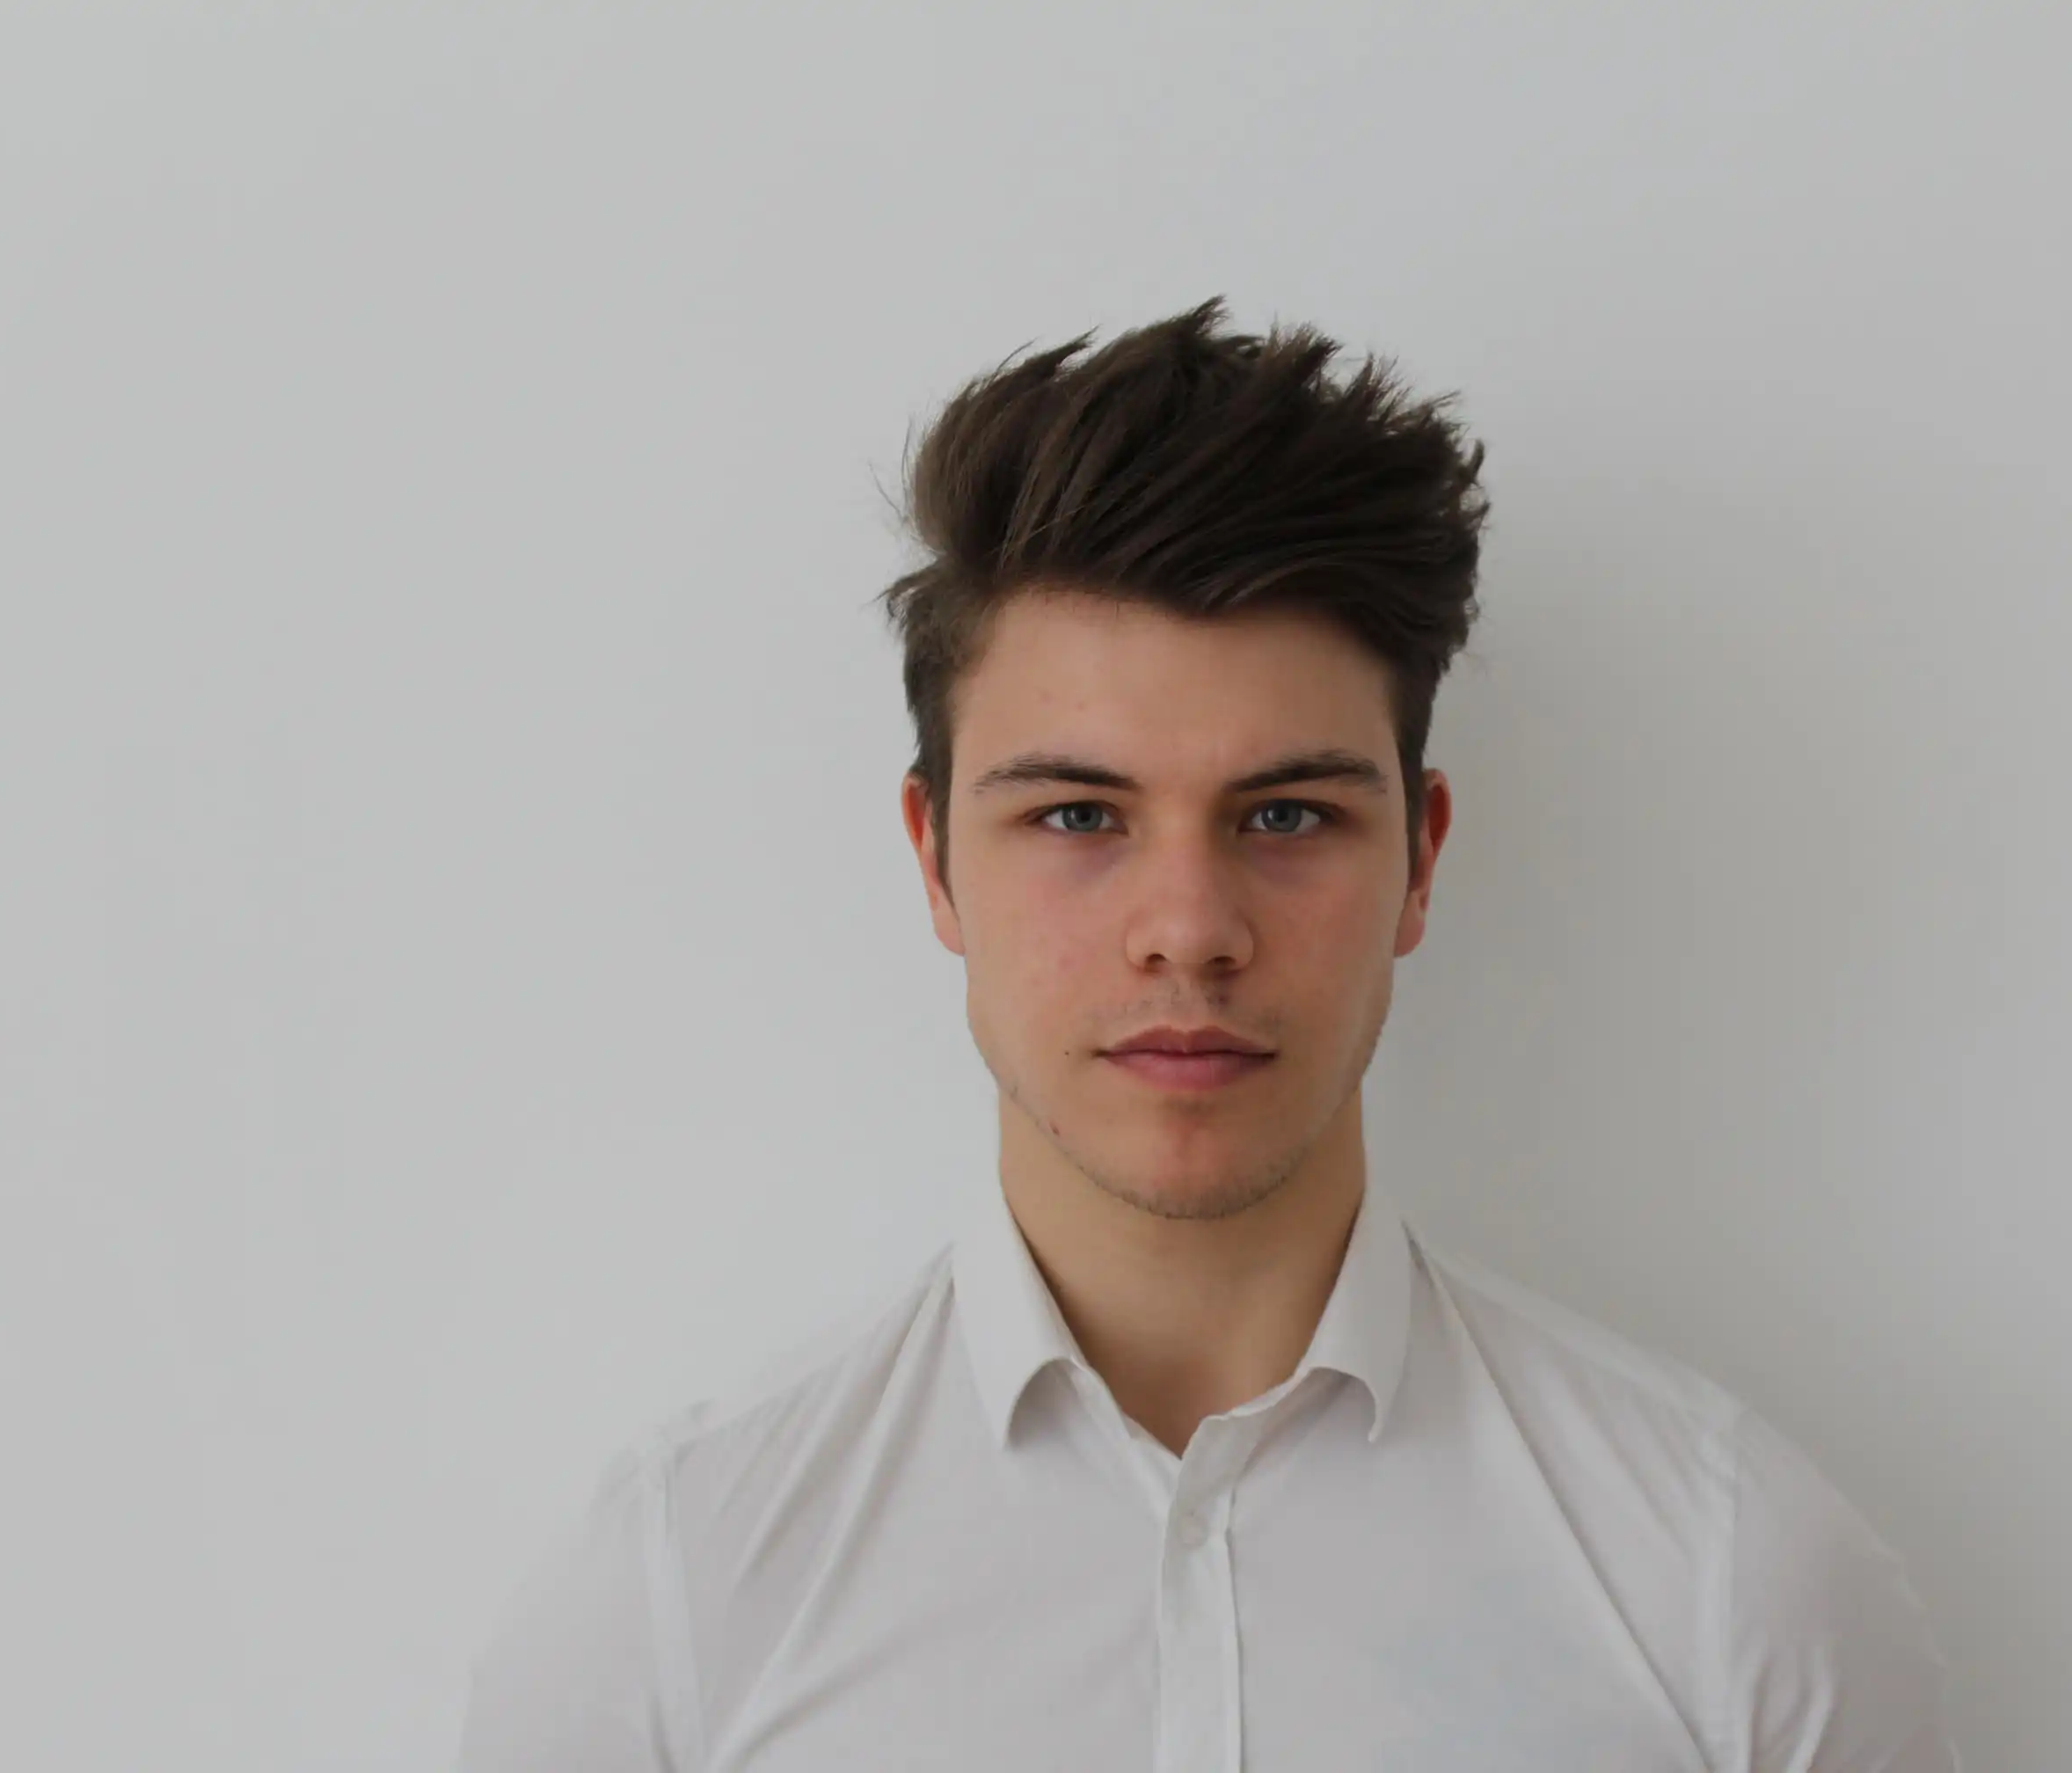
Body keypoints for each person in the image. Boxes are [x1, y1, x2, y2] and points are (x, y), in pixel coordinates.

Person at [457, 297, 1961, 1771]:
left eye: (1287, 813)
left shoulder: (1731, 1587)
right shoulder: (674, 1610)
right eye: (1077, 815)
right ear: (935, 863)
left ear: (1420, 862)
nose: (1190, 926)